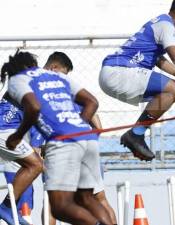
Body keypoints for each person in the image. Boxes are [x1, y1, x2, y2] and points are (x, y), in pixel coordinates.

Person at [1, 50, 113, 225]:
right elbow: (93, 104)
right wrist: (77, 129)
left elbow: (34, 108)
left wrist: (18, 135)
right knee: (91, 198)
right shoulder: (60, 79)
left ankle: (7, 207)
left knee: (57, 204)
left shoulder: (22, 81)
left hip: (62, 144)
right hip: (86, 139)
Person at [99, 0, 175, 161]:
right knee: (173, 89)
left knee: (168, 92)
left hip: (112, 74)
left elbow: (159, 60)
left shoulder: (160, 23)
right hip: (119, 72)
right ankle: (135, 134)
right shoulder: (166, 26)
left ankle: (136, 134)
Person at [41, 51, 117, 225]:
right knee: (99, 198)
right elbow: (98, 127)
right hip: (86, 144)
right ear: (55, 68)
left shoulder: (42, 91)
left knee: (52, 201)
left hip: (61, 150)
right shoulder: (74, 92)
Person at [0, 92, 43, 225]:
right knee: (35, 166)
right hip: (8, 141)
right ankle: (6, 208)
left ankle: (7, 208)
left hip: (13, 149)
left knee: (32, 166)